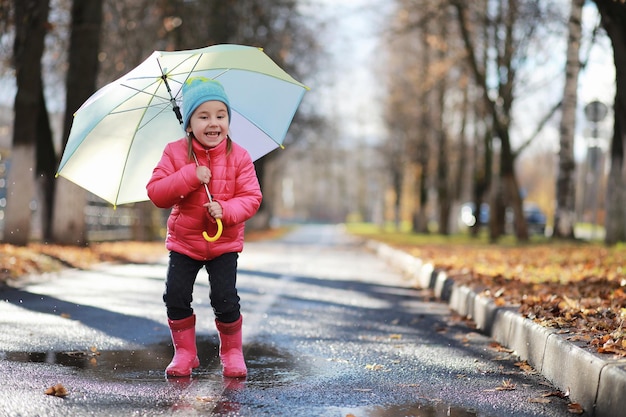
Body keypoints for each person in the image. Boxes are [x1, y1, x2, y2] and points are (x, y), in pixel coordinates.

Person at [147, 77, 262, 378]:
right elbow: (157, 192)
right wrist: (189, 175)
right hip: (185, 242)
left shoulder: (240, 157)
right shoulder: (175, 153)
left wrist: (225, 209)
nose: (214, 123)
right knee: (175, 295)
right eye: (204, 116)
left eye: (220, 115)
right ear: (188, 125)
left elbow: (252, 197)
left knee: (224, 298)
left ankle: (232, 351)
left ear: (228, 120)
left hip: (223, 243)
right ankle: (185, 353)